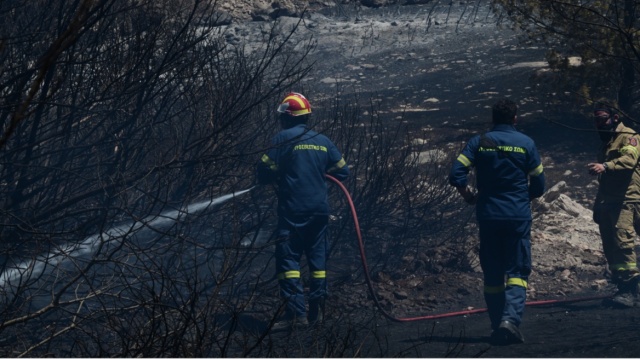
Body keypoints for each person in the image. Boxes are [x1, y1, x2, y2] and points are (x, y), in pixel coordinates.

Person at [448, 98, 545, 345]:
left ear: (493, 118)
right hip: (517, 216)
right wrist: (524, 198)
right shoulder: (526, 143)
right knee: (517, 271)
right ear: (515, 118)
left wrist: (469, 196)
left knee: (492, 272)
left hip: (488, 215)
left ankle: (496, 324)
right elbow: (539, 184)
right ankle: (509, 322)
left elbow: (456, 174)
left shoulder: (478, 143)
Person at [256, 92, 349, 330]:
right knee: (318, 263)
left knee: (288, 262)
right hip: (319, 212)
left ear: (286, 117)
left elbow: (263, 171)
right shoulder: (322, 140)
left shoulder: (282, 138)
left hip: (292, 212)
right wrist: (318, 172)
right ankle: (317, 314)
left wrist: (279, 174)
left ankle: (297, 316)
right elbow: (342, 171)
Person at [587, 100, 640, 308]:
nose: (599, 125)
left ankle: (630, 289)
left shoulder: (629, 136)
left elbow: (629, 160)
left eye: (602, 120)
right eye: (596, 121)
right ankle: (622, 286)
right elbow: (604, 180)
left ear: (614, 118)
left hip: (627, 200)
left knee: (623, 242)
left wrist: (606, 165)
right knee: (610, 245)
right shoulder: (607, 142)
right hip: (609, 201)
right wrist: (597, 204)